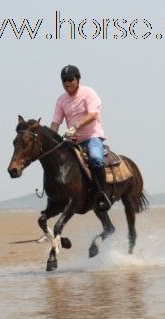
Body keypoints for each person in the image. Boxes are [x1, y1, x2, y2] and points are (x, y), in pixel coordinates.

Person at [50, 65, 112, 211]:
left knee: (96, 158)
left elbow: (93, 114)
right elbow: (55, 122)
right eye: (64, 80)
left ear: (77, 79)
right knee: (54, 161)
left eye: (70, 79)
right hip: (72, 141)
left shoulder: (88, 93)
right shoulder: (61, 100)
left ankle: (102, 194)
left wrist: (75, 126)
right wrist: (52, 139)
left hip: (92, 137)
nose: (67, 83)